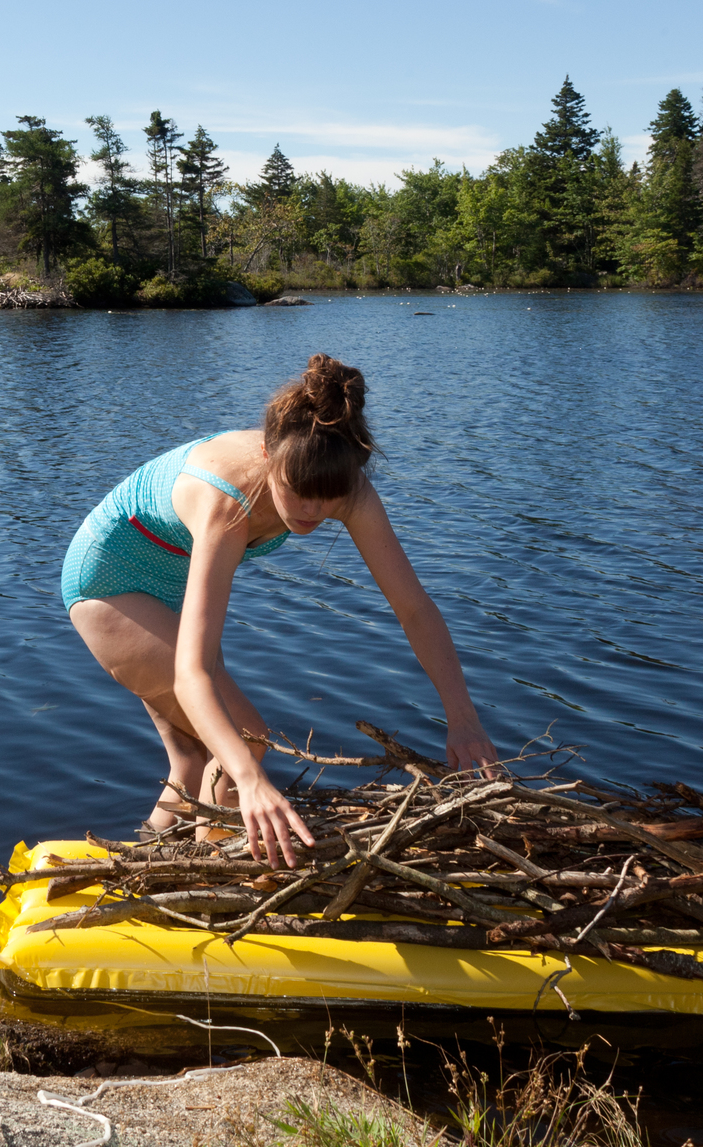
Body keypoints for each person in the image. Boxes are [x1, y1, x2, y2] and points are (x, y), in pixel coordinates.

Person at [61, 353, 500, 868]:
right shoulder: (228, 500)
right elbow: (192, 674)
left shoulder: (338, 478)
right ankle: (215, 886)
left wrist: (463, 718)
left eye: (327, 498)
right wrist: (251, 780)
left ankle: (141, 866)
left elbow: (414, 608)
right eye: (297, 492)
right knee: (245, 740)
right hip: (112, 581)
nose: (312, 511)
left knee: (194, 758)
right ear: (269, 453)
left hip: (176, 577)